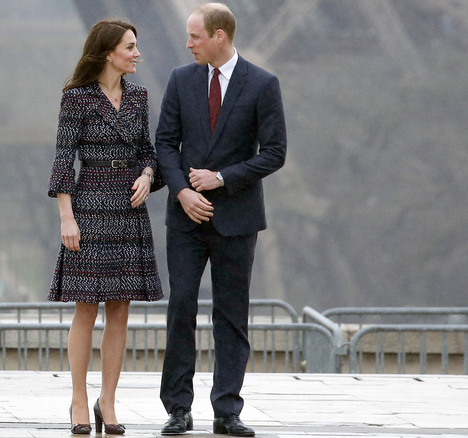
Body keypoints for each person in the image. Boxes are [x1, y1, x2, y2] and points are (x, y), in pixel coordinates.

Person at [155, 3, 287, 436]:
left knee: (232, 315)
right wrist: (184, 191)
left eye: (195, 36)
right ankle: (178, 407)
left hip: (237, 219)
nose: (188, 42)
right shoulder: (180, 79)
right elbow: (165, 145)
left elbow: (274, 152)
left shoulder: (263, 84)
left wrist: (222, 178)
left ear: (219, 36)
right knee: (181, 308)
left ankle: (227, 411)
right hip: (186, 220)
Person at [47, 19, 164, 435]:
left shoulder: (139, 96)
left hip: (129, 207)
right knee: (86, 308)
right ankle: (79, 399)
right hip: (90, 203)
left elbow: (149, 151)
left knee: (120, 310)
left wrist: (148, 175)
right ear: (108, 52)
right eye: (130, 47)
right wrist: (67, 217)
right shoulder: (76, 99)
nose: (137, 54)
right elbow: (63, 160)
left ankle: (107, 402)